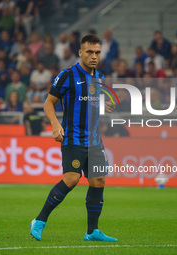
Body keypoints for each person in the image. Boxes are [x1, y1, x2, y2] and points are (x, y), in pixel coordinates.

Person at [30, 34, 117, 242]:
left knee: (98, 180)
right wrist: (55, 124)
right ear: (80, 52)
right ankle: (39, 220)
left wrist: (107, 106)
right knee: (72, 178)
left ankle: (92, 231)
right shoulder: (67, 75)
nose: (94, 56)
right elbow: (48, 103)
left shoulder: (100, 77)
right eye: (89, 52)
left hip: (95, 140)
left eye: (97, 52)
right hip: (73, 138)